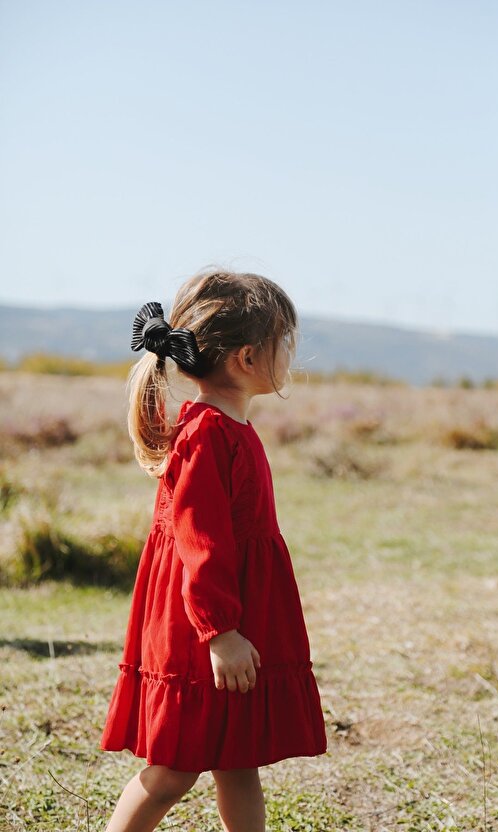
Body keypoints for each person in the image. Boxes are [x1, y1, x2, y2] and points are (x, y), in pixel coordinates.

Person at [99, 267, 328, 832]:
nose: (291, 356)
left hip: (228, 617)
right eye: (285, 343)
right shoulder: (207, 434)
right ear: (247, 358)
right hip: (200, 626)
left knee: (237, 757)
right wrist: (220, 633)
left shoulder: (230, 426)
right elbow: (199, 542)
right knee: (173, 768)